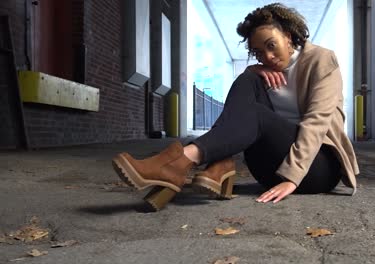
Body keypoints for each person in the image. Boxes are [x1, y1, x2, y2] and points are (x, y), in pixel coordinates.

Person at [112, 3, 359, 209]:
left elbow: (316, 123)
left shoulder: (321, 60)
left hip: (316, 169)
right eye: (259, 52)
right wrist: (253, 70)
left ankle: (179, 163)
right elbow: (236, 120)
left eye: (271, 45)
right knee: (247, 79)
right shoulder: (260, 73)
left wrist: (292, 179)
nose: (268, 57)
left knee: (256, 113)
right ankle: (218, 165)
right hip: (270, 166)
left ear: (288, 35)